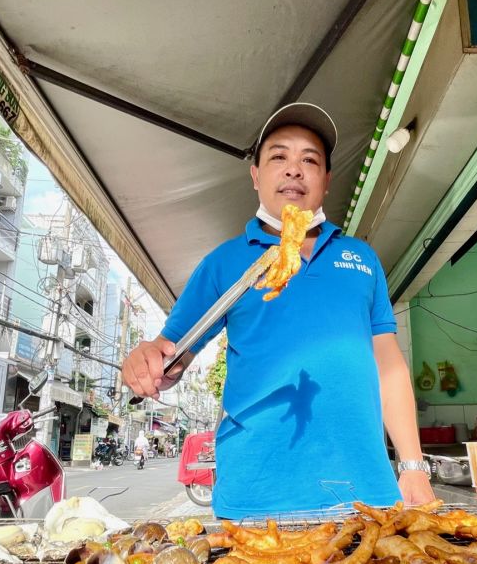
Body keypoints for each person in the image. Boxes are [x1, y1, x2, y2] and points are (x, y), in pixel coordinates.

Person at [122, 102, 434, 518]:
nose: (294, 169)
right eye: (278, 157)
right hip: (257, 496)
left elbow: (389, 367)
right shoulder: (225, 262)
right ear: (255, 175)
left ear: (326, 180)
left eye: (310, 160)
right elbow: (171, 352)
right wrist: (147, 362)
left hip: (367, 492)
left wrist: (413, 466)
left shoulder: (361, 258)